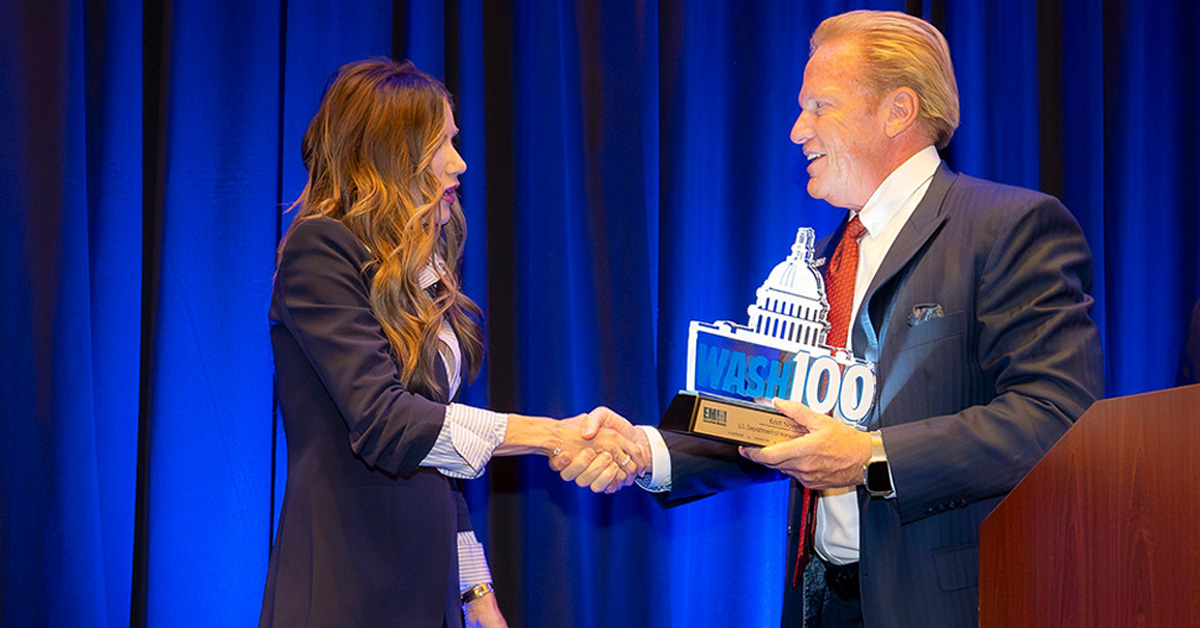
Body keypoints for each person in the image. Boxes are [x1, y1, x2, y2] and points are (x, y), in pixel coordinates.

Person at [554, 10, 1103, 628]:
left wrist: (873, 458)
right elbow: (776, 428)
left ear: (898, 111)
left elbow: (1057, 416)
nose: (796, 131)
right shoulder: (829, 257)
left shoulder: (1008, 227)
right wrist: (648, 450)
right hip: (821, 603)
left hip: (945, 604)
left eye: (819, 106)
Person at [259, 59, 643, 628]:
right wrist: (552, 435)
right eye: (440, 143)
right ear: (391, 152)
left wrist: (479, 598)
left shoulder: (419, 268)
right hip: (347, 588)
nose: (459, 163)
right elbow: (387, 423)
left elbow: (435, 450)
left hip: (423, 591)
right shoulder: (321, 250)